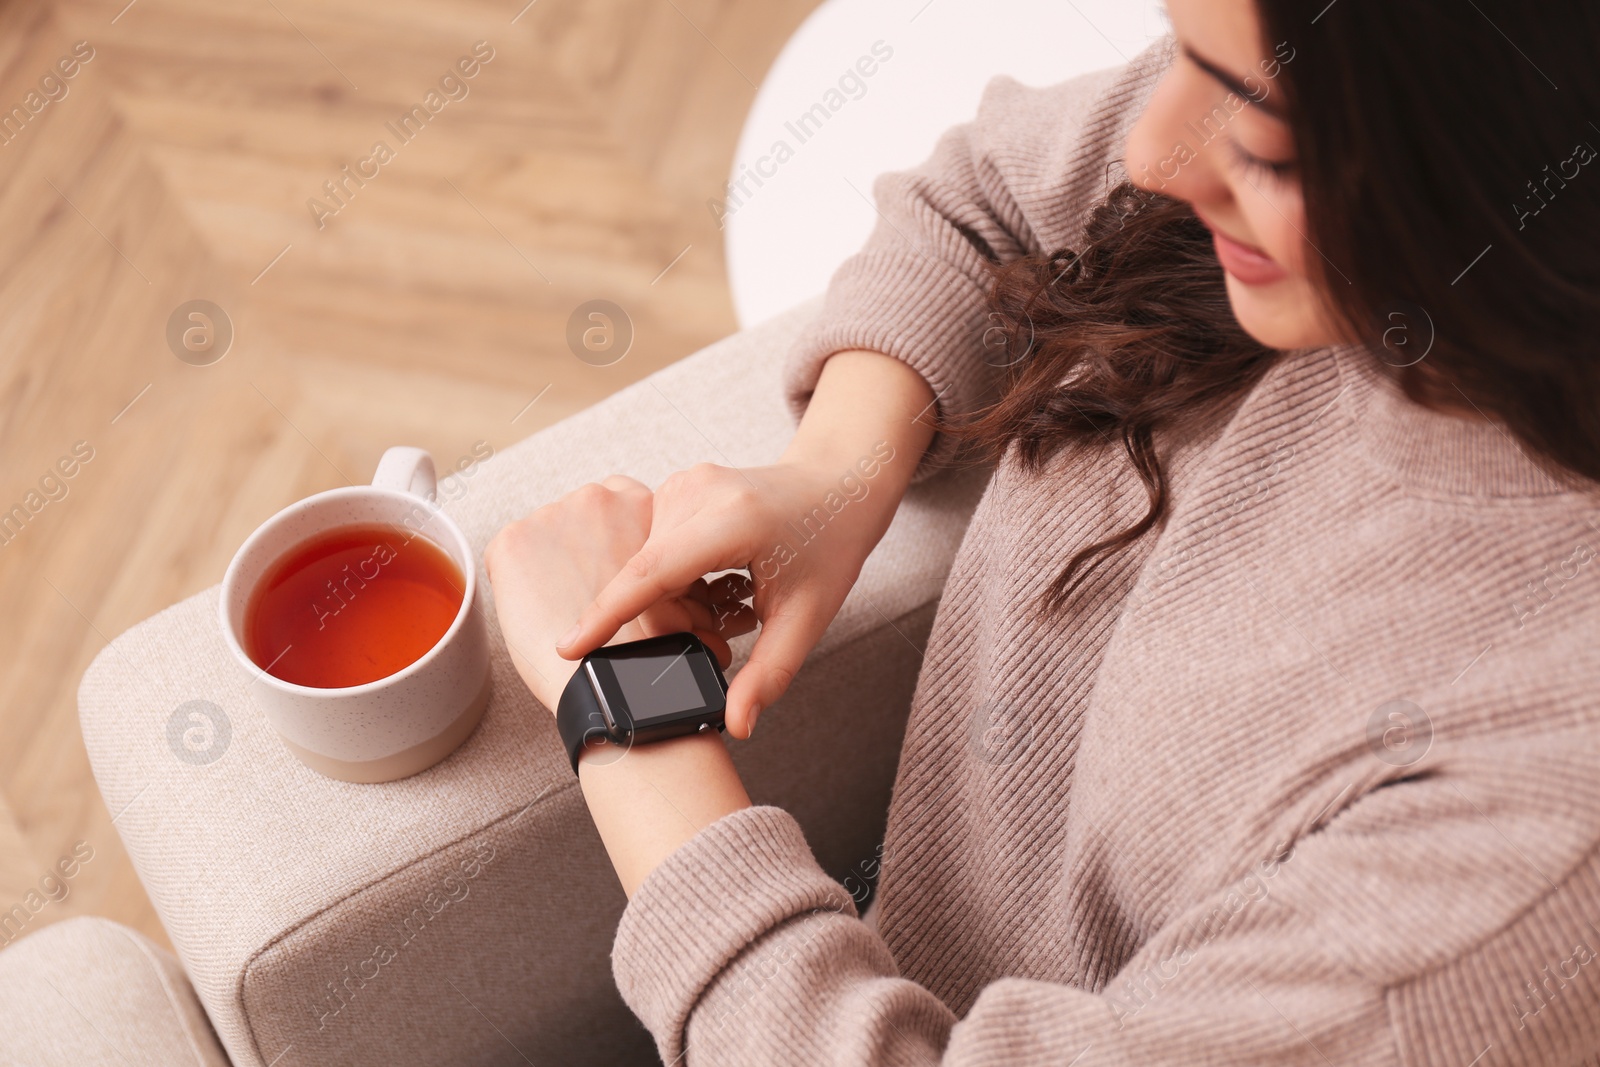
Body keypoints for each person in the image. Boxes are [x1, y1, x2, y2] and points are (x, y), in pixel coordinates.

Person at [483, 0, 1600, 1060]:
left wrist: (633, 713)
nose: (1153, 157)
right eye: (1174, 48)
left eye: (1263, 149)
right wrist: (831, 477)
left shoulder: (1528, 856)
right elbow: (981, 196)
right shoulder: (1346, 112)